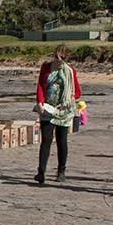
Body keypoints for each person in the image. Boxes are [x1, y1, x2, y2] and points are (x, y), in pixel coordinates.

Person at [34, 44, 81, 185]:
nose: (56, 60)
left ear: (65, 59)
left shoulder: (70, 71)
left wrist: (68, 101)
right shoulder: (46, 67)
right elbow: (41, 86)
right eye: (55, 56)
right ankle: (41, 172)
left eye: (60, 58)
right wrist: (40, 102)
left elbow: (77, 92)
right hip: (48, 108)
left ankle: (61, 171)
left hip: (64, 111)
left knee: (62, 141)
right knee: (46, 141)